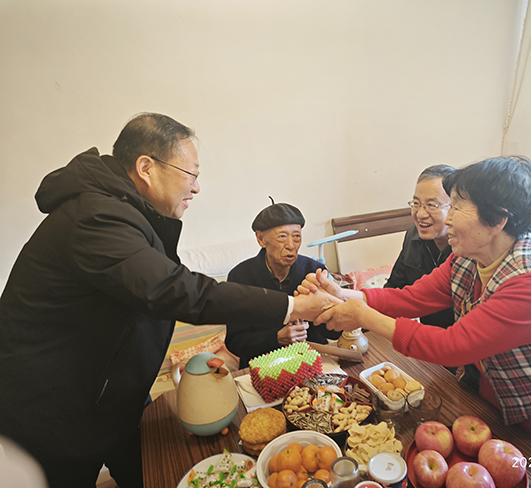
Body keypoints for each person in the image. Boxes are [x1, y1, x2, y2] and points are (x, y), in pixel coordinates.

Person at [0, 113, 338, 488]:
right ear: (146, 167)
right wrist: (292, 307)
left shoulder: (125, 213)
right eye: (191, 174)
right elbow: (173, 290)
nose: (196, 187)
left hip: (114, 393)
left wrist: (197, 373)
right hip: (56, 409)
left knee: (154, 473)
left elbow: (145, 303)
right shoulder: (95, 217)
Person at [300, 156, 531, 487]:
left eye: (458, 207)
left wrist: (363, 317)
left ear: (497, 220)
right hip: (500, 406)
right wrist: (346, 295)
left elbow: (452, 346)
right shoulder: (468, 256)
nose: (446, 218)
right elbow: (412, 297)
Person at [226, 200, 342, 368]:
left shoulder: (314, 271)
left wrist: (328, 308)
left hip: (312, 361)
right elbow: (235, 342)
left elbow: (334, 333)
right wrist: (277, 338)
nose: (291, 246)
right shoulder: (241, 277)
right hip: (262, 366)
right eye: (282, 237)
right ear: (261, 239)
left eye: (296, 237)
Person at [385, 164, 456, 327]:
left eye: (431, 205)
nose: (420, 214)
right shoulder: (413, 237)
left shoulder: (469, 249)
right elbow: (395, 290)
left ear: (454, 207)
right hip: (426, 334)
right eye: (416, 203)